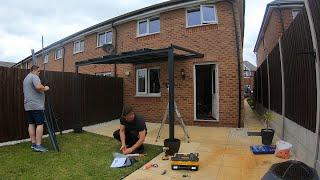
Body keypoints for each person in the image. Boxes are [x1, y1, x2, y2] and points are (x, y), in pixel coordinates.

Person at [23, 65, 50, 152]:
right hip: (36, 106)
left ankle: (34, 144)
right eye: (39, 71)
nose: (39, 73)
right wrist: (45, 88)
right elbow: (38, 87)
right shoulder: (34, 77)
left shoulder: (26, 78)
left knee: (31, 124)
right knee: (40, 124)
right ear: (35, 70)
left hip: (28, 105)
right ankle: (38, 145)